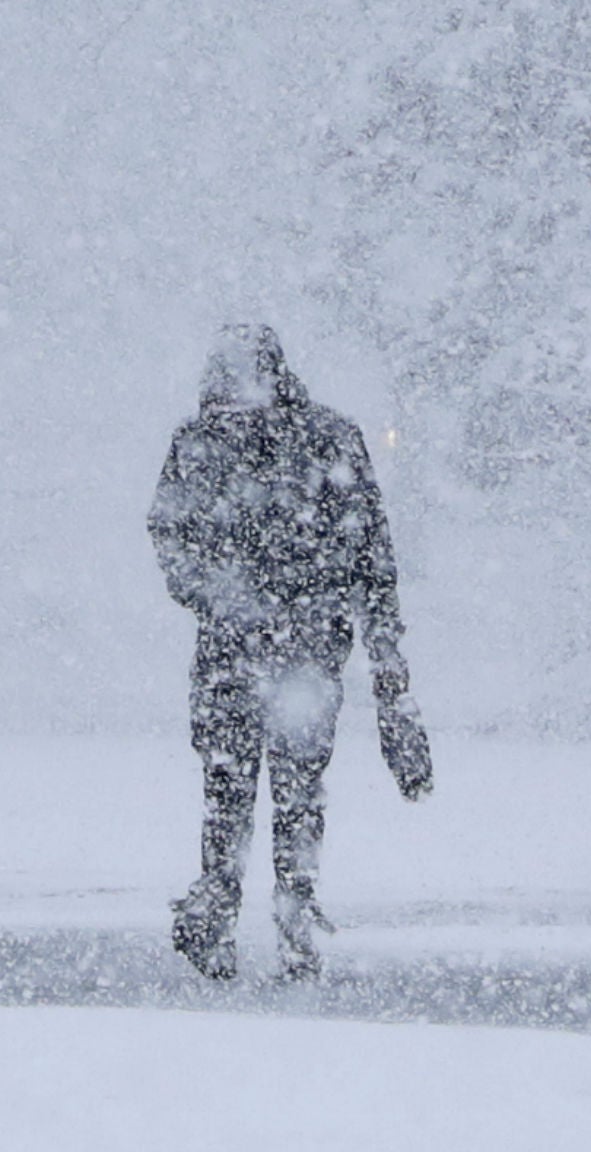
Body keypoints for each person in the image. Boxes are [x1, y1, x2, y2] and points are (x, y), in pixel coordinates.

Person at [146, 323, 431, 981]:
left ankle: (223, 897)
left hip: (234, 646)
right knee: (296, 785)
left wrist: (220, 595)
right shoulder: (329, 438)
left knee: (228, 781)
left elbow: (169, 533)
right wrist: (376, 641)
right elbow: (372, 553)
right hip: (309, 643)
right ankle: (293, 906)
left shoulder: (200, 443)